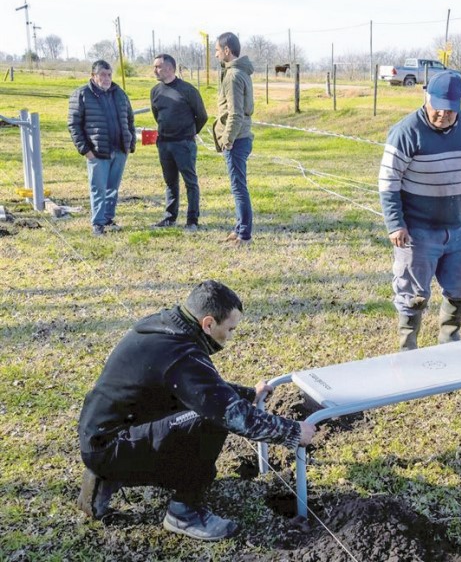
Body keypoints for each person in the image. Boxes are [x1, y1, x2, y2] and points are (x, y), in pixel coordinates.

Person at [76, 280, 317, 540]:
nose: (231, 336)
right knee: (211, 419)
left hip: (102, 434)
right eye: (230, 329)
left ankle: (108, 473)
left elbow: (198, 387)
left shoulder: (163, 327)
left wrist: (249, 394)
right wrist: (293, 432)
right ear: (208, 323)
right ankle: (183, 512)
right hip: (111, 446)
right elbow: (229, 413)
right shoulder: (180, 354)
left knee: (205, 406)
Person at [378, 71, 461, 351]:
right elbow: (388, 182)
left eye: (450, 109)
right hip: (416, 231)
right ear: (426, 97)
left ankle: (449, 342)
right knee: (413, 295)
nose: (443, 114)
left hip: (455, 227)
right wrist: (395, 224)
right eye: (437, 106)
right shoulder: (406, 132)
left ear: (460, 104)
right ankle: (408, 348)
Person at [67, 60, 136, 236]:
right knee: (98, 188)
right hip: (97, 152)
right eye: (102, 75)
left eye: (109, 74)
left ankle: (108, 219)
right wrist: (85, 150)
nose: (106, 78)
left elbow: (130, 120)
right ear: (93, 76)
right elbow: (74, 125)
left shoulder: (120, 94)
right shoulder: (81, 95)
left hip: (120, 150)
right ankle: (97, 223)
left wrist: (130, 144)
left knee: (113, 188)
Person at [150, 54, 208, 232]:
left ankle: (192, 220)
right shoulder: (155, 91)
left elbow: (202, 116)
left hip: (184, 144)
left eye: (158, 66)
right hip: (164, 144)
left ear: (169, 68)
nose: (155, 70)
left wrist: (188, 134)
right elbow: (157, 115)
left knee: (190, 182)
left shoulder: (187, 90)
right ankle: (170, 217)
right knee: (170, 182)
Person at [213, 32, 255, 247]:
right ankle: (239, 227)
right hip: (241, 136)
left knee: (239, 187)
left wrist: (227, 139)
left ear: (227, 50)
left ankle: (245, 235)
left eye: (218, 50)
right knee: (237, 184)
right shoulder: (238, 72)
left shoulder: (233, 76)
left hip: (237, 139)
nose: (216, 54)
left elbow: (236, 113)